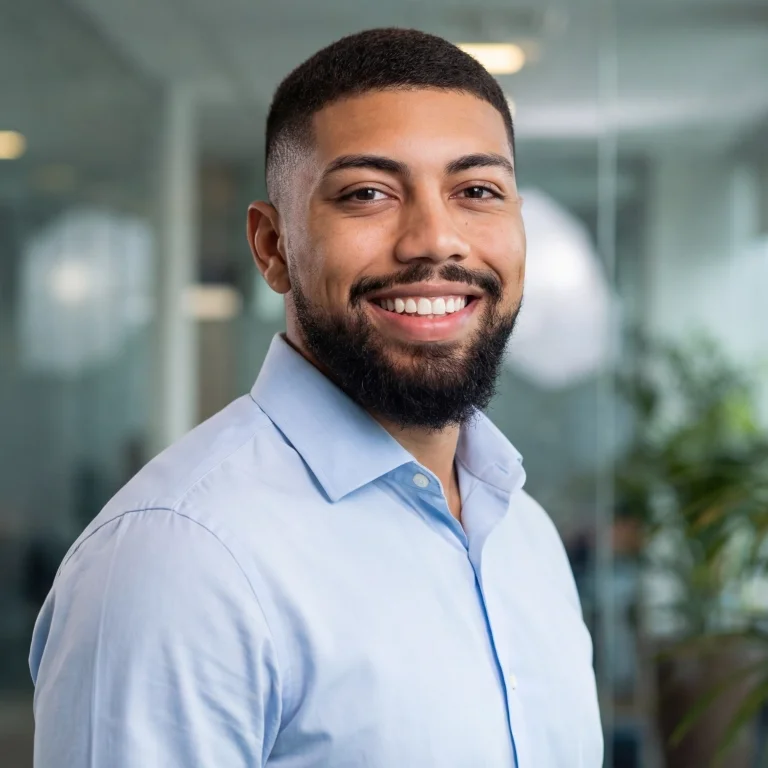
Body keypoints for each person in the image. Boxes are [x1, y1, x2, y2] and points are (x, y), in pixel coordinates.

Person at [30, 28, 603, 767]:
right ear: (272, 247)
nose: (436, 240)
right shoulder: (177, 561)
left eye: (477, 191)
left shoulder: (522, 533)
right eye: (368, 193)